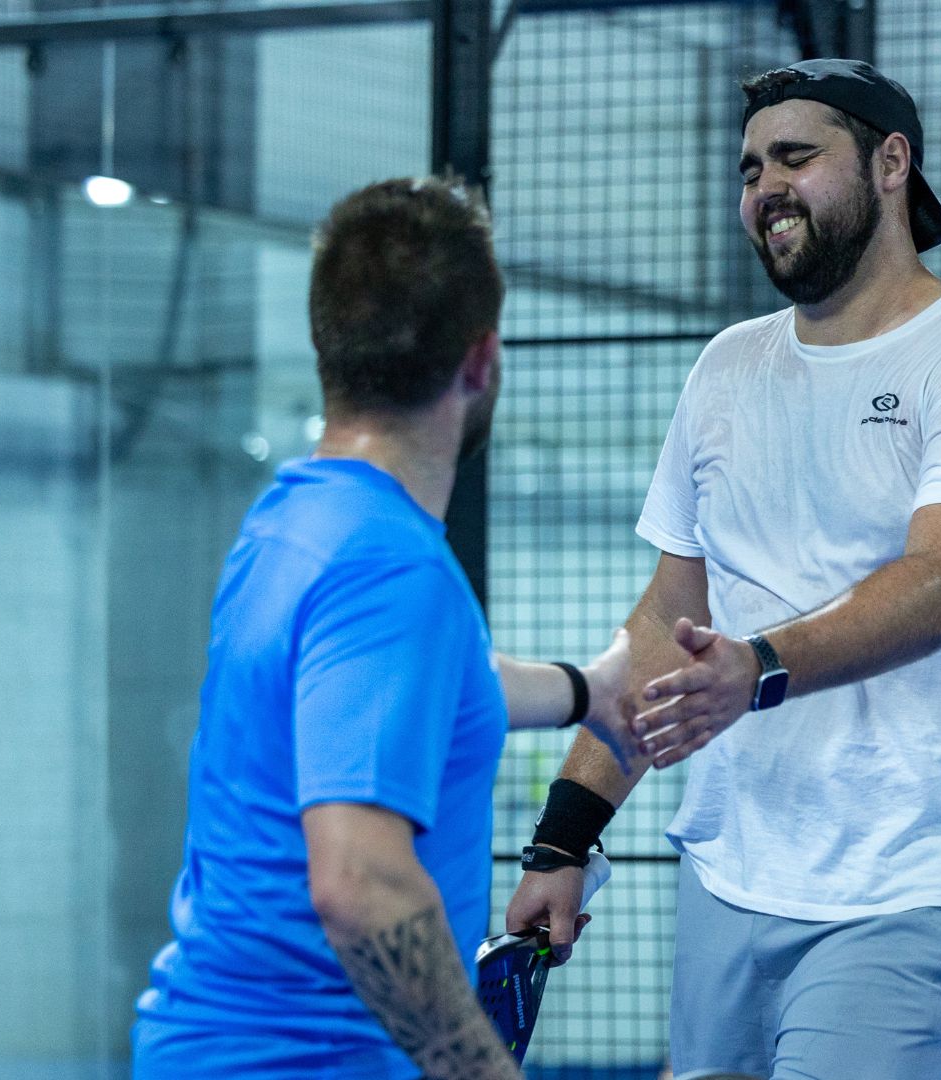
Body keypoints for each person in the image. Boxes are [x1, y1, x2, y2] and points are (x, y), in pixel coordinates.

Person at [506, 59, 941, 1080]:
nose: (764, 186)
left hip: (920, 884)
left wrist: (757, 666)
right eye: (749, 167)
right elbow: (663, 625)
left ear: (891, 162)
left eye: (796, 157)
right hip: (735, 876)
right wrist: (564, 838)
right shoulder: (727, 367)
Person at [131, 177, 646, 1080]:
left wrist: (588, 690)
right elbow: (360, 883)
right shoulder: (392, 568)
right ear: (482, 360)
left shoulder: (293, 522)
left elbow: (415, 684)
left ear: (330, 347)